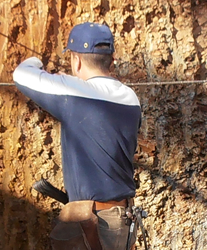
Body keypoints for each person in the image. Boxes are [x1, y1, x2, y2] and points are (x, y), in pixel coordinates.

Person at [12, 22, 141, 250]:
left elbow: (22, 73)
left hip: (93, 222)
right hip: (121, 219)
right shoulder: (131, 98)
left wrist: (39, 61)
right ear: (111, 60)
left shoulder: (73, 91)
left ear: (77, 60)